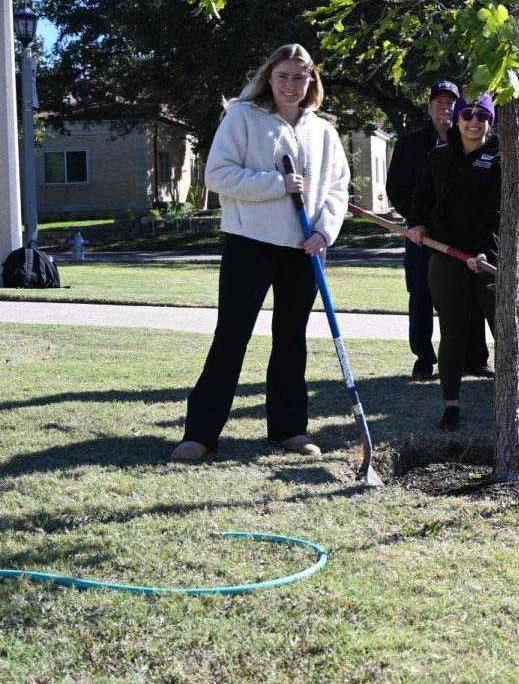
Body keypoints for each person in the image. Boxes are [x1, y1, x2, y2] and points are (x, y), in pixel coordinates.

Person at [172, 44, 350, 462]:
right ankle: (200, 434)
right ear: (269, 77)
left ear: (311, 82)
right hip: (250, 244)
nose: (291, 85)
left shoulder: (323, 130)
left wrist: (324, 233)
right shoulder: (243, 117)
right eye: (283, 76)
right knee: (231, 337)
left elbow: (339, 188)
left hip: (304, 250)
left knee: (292, 340)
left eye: (299, 78)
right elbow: (217, 175)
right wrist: (276, 185)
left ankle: (289, 429)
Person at [408, 92, 519, 432]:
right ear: (457, 118)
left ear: (491, 122)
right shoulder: (438, 157)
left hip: (489, 259)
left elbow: (498, 212)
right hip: (445, 255)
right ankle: (451, 407)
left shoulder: (501, 158)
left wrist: (484, 253)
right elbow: (422, 198)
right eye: (467, 115)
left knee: (508, 330)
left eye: (482, 116)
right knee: (453, 330)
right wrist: (418, 224)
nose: (474, 121)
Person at [387, 80, 489, 380]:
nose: (445, 106)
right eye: (439, 101)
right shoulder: (410, 144)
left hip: (460, 238)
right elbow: (397, 189)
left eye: (450, 102)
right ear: (429, 107)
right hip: (422, 238)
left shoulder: (471, 144)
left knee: (470, 297)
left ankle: (474, 357)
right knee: (421, 295)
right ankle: (423, 358)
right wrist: (418, 221)